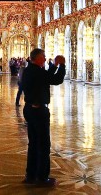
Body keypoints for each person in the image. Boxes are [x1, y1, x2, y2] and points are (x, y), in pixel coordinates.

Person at [22, 49, 66, 187]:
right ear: (37, 58)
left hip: (29, 109)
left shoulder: (30, 70)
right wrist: (62, 65)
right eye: (44, 57)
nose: (45, 59)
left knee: (33, 144)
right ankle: (42, 177)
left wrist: (53, 65)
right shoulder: (37, 72)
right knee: (44, 145)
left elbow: (45, 76)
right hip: (39, 111)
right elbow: (55, 80)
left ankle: (31, 175)